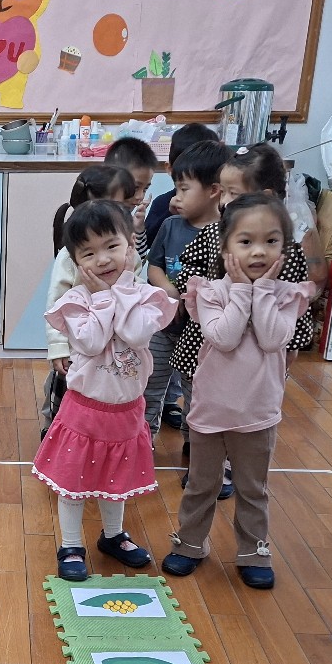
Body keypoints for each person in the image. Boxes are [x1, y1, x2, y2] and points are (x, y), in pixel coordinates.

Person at [161, 193, 313, 590]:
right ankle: (190, 543)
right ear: (226, 246)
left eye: (271, 241)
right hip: (211, 410)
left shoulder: (287, 295)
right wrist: (243, 291)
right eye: (246, 241)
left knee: (252, 488)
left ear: (284, 246)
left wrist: (262, 291)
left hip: (258, 414)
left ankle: (253, 551)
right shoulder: (209, 292)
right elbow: (224, 338)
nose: (258, 251)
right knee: (202, 485)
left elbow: (272, 338)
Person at [32, 200, 179, 582]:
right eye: (89, 253)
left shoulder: (145, 295)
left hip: (127, 410)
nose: (102, 259)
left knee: (118, 479)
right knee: (73, 482)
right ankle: (70, 545)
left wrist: (122, 290)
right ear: (75, 262)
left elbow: (136, 334)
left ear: (130, 245)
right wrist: (101, 297)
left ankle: (113, 536)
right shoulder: (75, 301)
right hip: (84, 410)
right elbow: (92, 341)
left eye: (111, 246)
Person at [168, 144, 318, 496]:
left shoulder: (284, 252)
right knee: (199, 400)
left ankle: (231, 466)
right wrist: (193, 293)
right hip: (210, 335)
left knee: (246, 415)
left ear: (264, 196)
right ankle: (201, 458)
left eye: (233, 193)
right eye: (222, 192)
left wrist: (287, 356)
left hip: (257, 356)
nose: (223, 201)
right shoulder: (213, 233)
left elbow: (293, 311)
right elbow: (188, 268)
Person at [41, 165, 138, 437]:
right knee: (68, 397)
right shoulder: (70, 256)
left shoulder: (128, 254)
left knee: (110, 400)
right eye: (121, 204)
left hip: (119, 347)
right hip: (80, 347)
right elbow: (56, 304)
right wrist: (58, 347)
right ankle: (56, 431)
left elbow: (138, 295)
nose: (103, 260)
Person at [144, 140, 228, 441]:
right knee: (150, 384)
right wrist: (169, 290)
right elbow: (154, 267)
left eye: (184, 189)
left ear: (213, 190)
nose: (176, 197)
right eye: (176, 189)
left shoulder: (227, 233)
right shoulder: (171, 226)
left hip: (201, 334)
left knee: (197, 390)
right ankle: (143, 440)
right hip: (163, 326)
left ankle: (194, 444)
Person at [144, 123, 218, 248]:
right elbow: (149, 243)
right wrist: (170, 214)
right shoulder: (162, 203)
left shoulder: (224, 208)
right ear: (170, 168)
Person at [103, 135, 160, 259]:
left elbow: (139, 261)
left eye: (145, 189)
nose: (140, 196)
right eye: (135, 187)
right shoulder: (94, 217)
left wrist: (138, 229)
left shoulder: (128, 218)